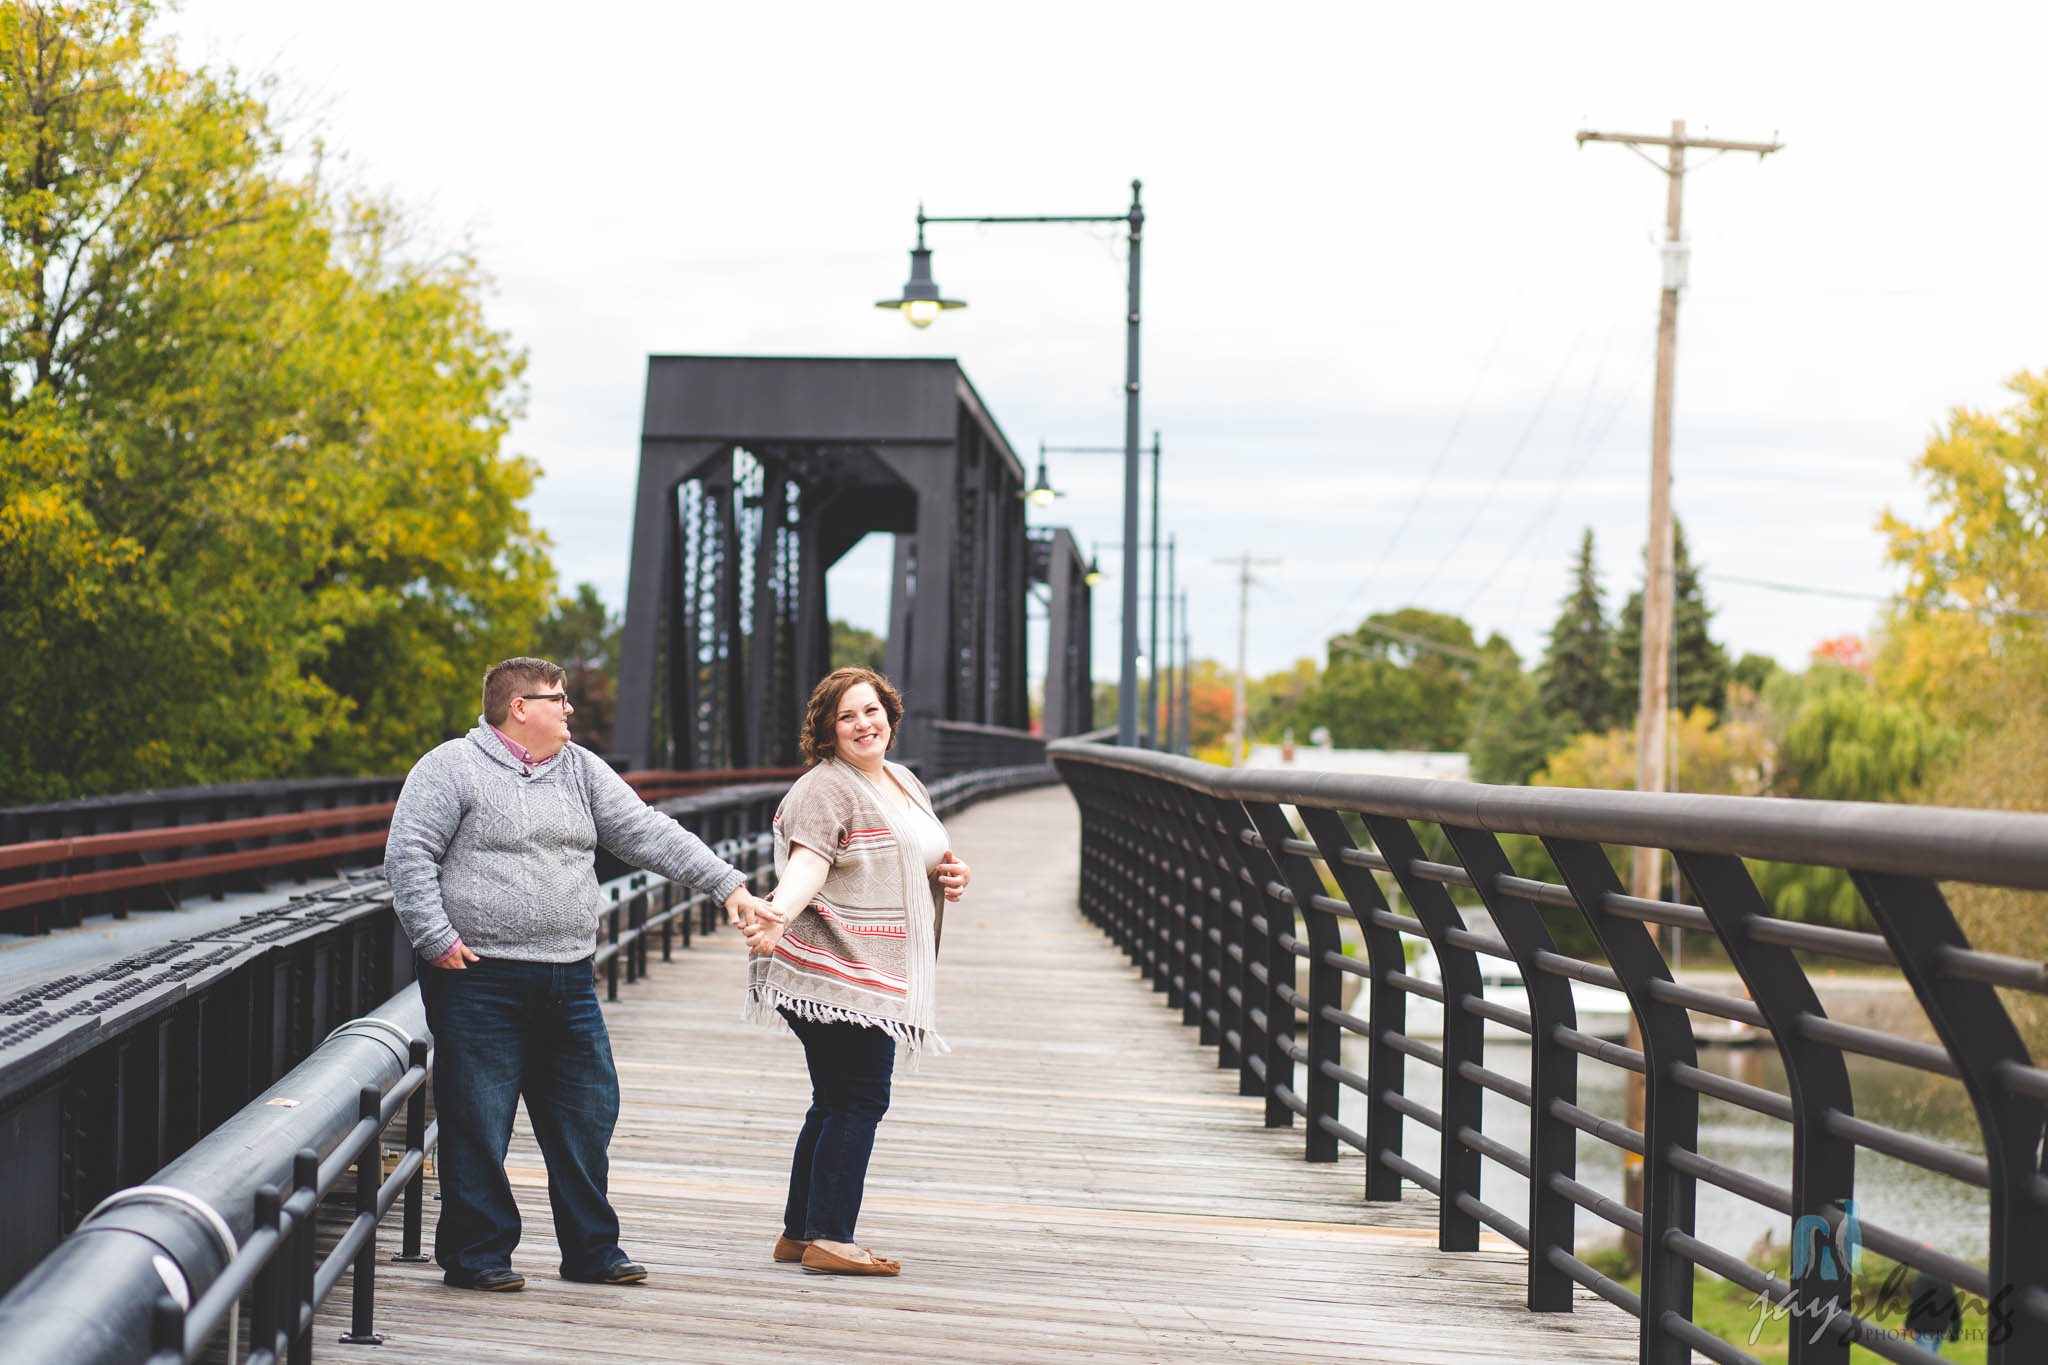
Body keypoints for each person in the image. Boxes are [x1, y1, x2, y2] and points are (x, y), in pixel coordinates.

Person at [386, 656, 773, 1293]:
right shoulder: (450, 766)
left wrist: (725, 884)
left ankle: (592, 1251)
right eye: (557, 699)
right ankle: (477, 1255)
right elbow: (409, 855)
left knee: (587, 1114)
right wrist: (435, 938)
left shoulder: (580, 769)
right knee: (479, 1121)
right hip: (479, 976)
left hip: (567, 976)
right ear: (519, 707)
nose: (569, 709)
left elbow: (647, 832)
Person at [741, 667, 970, 1276]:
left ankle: (800, 1232)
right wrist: (777, 914)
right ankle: (832, 1238)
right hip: (834, 969)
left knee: (835, 1098)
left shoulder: (900, 780)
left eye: (872, 711)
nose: (864, 724)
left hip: (868, 968)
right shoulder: (824, 790)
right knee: (860, 1098)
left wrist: (949, 874)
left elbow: (914, 852)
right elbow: (809, 863)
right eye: (847, 717)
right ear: (827, 731)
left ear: (890, 717)